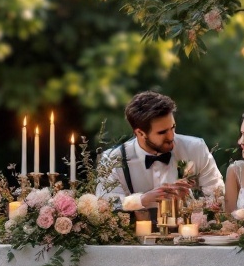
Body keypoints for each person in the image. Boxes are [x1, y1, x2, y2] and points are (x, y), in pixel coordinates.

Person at [95, 91, 224, 214]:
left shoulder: (195, 148)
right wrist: (142, 200)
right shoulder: (112, 159)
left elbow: (218, 195)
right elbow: (105, 203)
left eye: (172, 127)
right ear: (140, 133)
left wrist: (190, 200)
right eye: (162, 132)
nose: (171, 136)